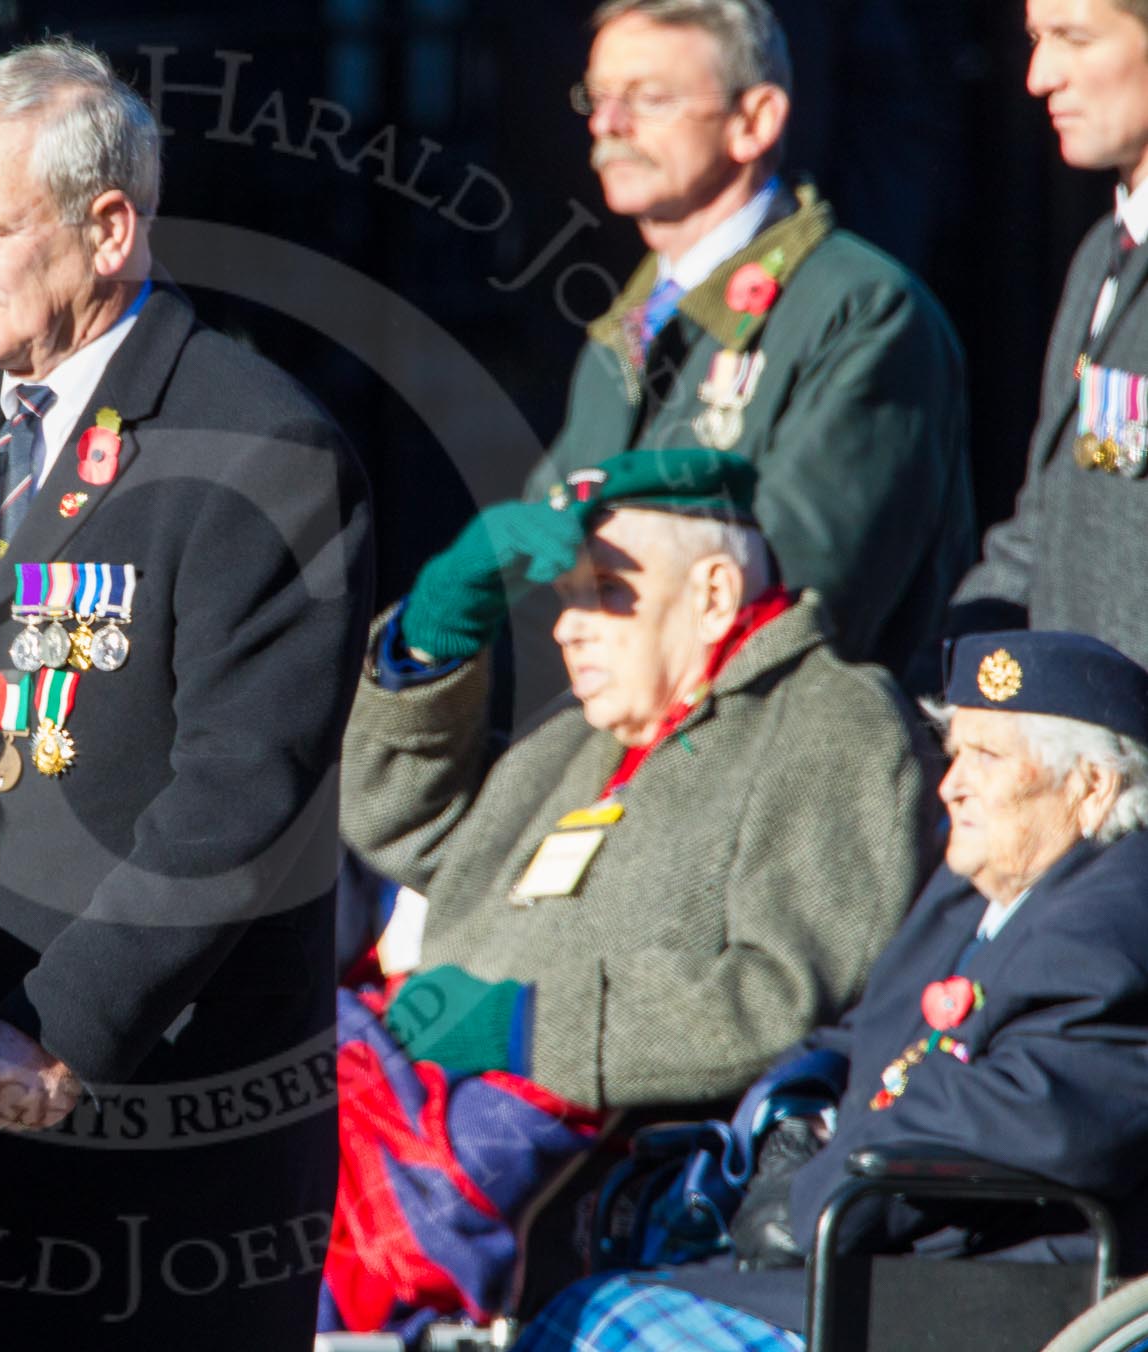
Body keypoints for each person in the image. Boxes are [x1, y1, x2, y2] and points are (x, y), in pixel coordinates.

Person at [0, 37, 374, 1348]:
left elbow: (240, 798)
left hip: (152, 1114)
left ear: (109, 225)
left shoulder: (262, 441)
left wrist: (59, 1031)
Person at [330, 449, 933, 1331]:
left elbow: (783, 995)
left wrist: (522, 1026)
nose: (570, 627)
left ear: (715, 595)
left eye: (607, 592)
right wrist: (432, 638)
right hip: (397, 1090)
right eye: (567, 598)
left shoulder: (831, 719)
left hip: (553, 1155)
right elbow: (393, 826)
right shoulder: (586, 733)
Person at [516, 630, 1148, 1350]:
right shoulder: (977, 889)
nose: (951, 784)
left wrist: (817, 1183)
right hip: (883, 1255)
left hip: (989, 1291)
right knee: (581, 1304)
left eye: (989, 758)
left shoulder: (1119, 919)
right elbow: (870, 1029)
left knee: (599, 1328)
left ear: (1091, 787)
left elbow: (1034, 1111)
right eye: (956, 749)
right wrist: (792, 1111)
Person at [524, 0, 971, 677]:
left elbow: (805, 594)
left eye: (648, 98)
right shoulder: (626, 328)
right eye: (599, 97)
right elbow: (531, 563)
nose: (608, 125)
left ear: (754, 121)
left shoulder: (859, 309)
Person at [951, 0, 1148, 669]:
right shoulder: (1103, 253)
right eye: (1037, 39)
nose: (1039, 76)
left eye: (1075, 38)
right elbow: (1049, 522)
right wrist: (950, 671)